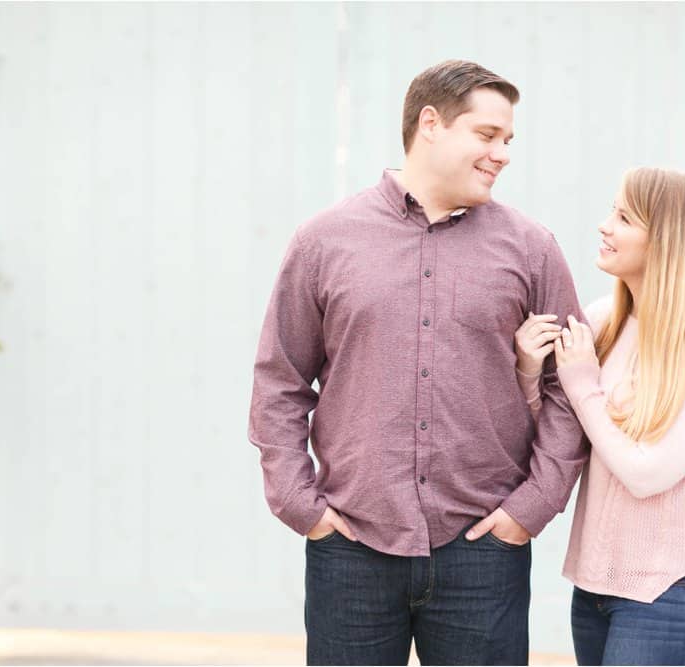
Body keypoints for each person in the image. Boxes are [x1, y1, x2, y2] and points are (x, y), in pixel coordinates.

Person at [248, 59, 588, 666]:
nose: (503, 153)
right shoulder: (325, 241)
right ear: (430, 124)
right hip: (351, 547)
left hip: (484, 549)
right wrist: (302, 505)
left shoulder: (532, 249)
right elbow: (281, 381)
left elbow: (571, 387)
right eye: (487, 135)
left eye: (508, 140)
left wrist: (531, 508)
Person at [514, 166, 685, 665]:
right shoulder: (604, 319)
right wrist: (528, 373)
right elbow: (563, 440)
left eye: (624, 217)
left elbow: (649, 473)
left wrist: (581, 386)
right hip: (598, 588)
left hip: (675, 593)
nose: (605, 225)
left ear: (669, 241)